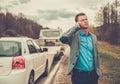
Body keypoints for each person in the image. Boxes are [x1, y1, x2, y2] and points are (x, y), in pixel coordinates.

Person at [60, 13, 102, 84]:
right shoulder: (74, 37)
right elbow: (62, 39)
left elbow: (96, 55)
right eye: (82, 20)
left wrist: (97, 71)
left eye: (86, 19)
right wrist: (75, 27)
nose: (85, 21)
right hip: (79, 75)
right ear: (77, 23)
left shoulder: (93, 37)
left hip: (93, 75)